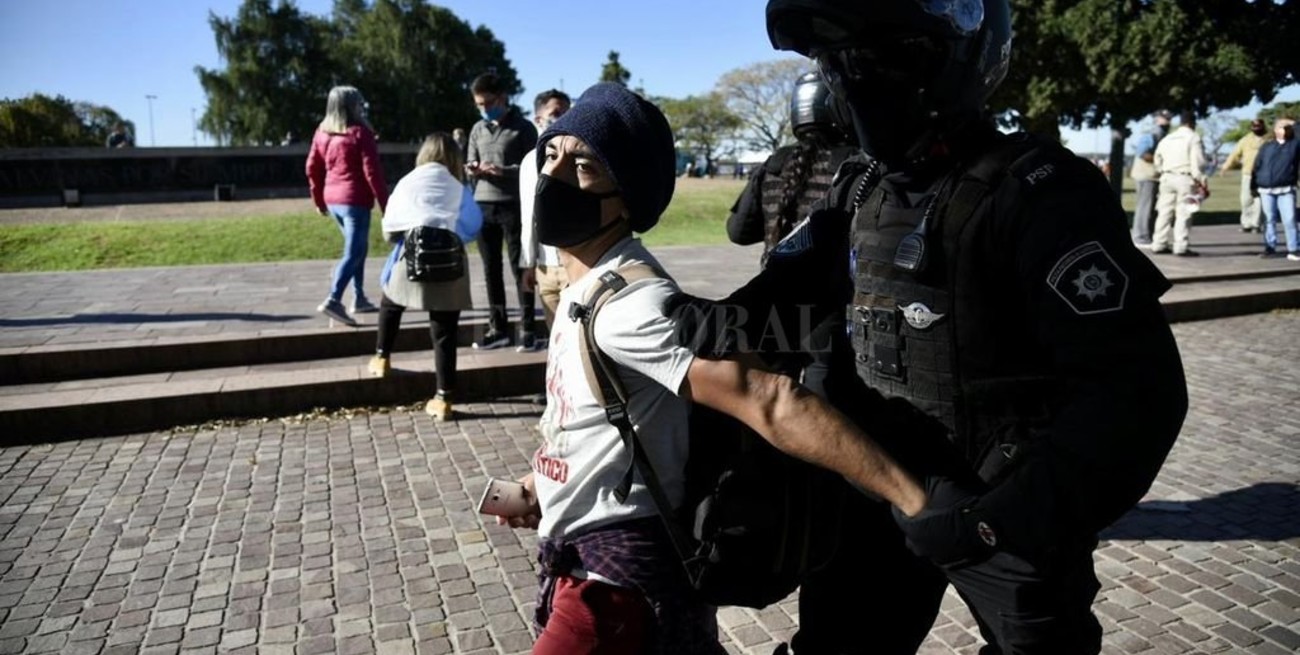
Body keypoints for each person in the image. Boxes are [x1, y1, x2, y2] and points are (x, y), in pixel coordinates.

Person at [690, 2, 1187, 653]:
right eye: (840, 64)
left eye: (876, 58)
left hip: (1006, 508)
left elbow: (1134, 391)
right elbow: (791, 292)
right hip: (876, 489)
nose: (856, 80)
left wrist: (996, 522)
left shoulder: (1036, 190)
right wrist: (701, 323)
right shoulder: (860, 188)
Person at [495, 82, 928, 655]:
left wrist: (916, 501)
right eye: (551, 154)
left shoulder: (632, 305)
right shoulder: (586, 285)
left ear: (627, 196)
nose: (557, 176)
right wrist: (543, 482)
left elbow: (770, 399)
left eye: (585, 166)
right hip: (583, 561)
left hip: (617, 583)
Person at [369, 132, 481, 420]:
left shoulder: (409, 182)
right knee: (444, 332)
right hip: (449, 265)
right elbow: (473, 224)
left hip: (412, 257)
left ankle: (382, 357)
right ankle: (444, 398)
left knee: (390, 303)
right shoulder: (459, 187)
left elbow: (389, 223)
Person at [466, 72, 541, 351]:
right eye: (479, 105)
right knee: (490, 270)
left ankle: (529, 329)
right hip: (482, 206)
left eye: (487, 103)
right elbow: (470, 161)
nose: (484, 109)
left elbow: (534, 167)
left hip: (513, 205)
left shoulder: (523, 128)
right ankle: (498, 327)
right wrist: (473, 168)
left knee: (520, 268)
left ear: (502, 98)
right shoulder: (476, 129)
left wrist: (504, 171)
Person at [306, 85, 389, 326]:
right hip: (355, 200)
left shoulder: (322, 133)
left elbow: (312, 168)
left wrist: (318, 200)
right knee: (354, 252)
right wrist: (386, 205)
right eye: (358, 103)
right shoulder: (360, 133)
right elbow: (373, 172)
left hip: (333, 201)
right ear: (351, 106)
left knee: (358, 249)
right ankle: (334, 299)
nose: (361, 107)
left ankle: (360, 297)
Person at [519, 89, 573, 335]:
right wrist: (529, 263)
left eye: (566, 111)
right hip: (544, 266)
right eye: (555, 112)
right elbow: (527, 214)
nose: (563, 117)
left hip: (575, 263)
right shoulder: (530, 161)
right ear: (538, 119)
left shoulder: (578, 156)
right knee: (556, 339)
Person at [1151, 111, 1208, 256]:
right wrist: (1201, 179)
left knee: (1164, 212)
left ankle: (1159, 243)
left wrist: (1162, 170)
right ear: (1192, 123)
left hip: (1166, 177)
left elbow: (1157, 158)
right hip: (1185, 178)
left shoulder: (1168, 138)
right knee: (1184, 212)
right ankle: (1181, 246)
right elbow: (1198, 161)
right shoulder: (1193, 137)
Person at [1251, 118, 1300, 261]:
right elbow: (1257, 165)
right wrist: (1253, 185)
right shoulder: (1267, 146)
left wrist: (1292, 123)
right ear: (1274, 130)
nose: (1283, 130)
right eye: (1280, 127)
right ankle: (1270, 247)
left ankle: (1294, 249)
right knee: (1269, 219)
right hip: (1266, 188)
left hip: (1286, 188)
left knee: (1290, 219)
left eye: (1286, 128)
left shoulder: (1294, 145)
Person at [1220, 118, 1269, 233]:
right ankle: (1246, 224)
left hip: (1263, 174)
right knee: (1245, 200)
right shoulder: (1245, 140)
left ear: (1263, 126)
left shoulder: (1269, 140)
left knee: (1259, 201)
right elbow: (1235, 154)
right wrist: (1225, 167)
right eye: (1254, 126)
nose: (1256, 128)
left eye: (1258, 126)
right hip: (1247, 174)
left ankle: (1256, 224)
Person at [1128, 111, 1169, 245]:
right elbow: (1142, 153)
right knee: (1144, 206)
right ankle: (1140, 237)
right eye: (1164, 118)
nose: (1167, 120)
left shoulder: (1160, 133)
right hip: (1146, 175)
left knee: (1149, 207)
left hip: (1152, 175)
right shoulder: (1153, 133)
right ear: (1157, 119)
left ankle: (1147, 235)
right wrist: (1160, 161)